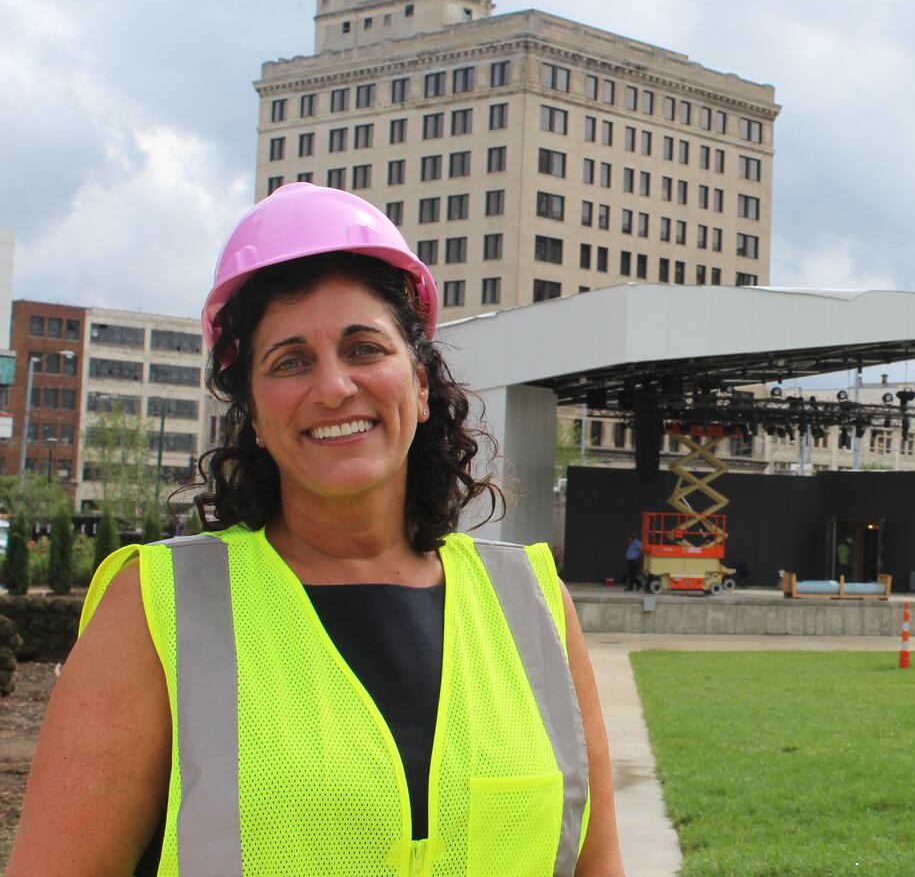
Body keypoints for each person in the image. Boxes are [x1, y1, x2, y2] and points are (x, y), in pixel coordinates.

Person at [7, 184, 623, 876]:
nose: (333, 386)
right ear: (255, 416)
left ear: (420, 386)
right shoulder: (158, 609)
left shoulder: (534, 606)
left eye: (364, 348)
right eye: (290, 361)